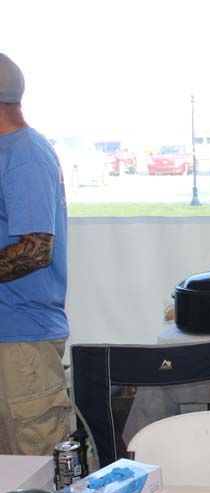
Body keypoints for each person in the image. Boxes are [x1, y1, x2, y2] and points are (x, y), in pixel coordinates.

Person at [0, 53, 71, 455]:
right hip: (10, 338)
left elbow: (35, 251)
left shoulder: (23, 155)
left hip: (21, 343)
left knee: (32, 476)